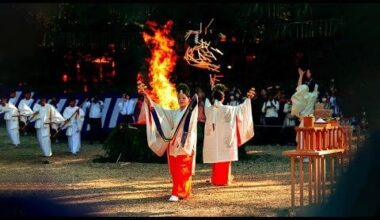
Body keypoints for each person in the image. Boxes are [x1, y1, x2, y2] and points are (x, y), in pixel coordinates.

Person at [138, 82, 198, 202]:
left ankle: (178, 192)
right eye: (179, 98)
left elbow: (189, 128)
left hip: (184, 144)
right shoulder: (176, 112)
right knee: (176, 170)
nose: (181, 100)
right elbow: (162, 112)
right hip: (173, 144)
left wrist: (182, 141)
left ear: (188, 99)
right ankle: (181, 191)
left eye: (183, 98)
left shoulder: (191, 111)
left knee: (183, 169)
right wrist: (150, 101)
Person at [203, 75, 256, 186]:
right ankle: (223, 180)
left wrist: (212, 89)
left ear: (214, 98)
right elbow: (241, 108)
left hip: (213, 140)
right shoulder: (228, 109)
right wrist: (248, 99)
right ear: (223, 98)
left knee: (215, 157)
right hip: (225, 140)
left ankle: (215, 178)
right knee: (224, 157)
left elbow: (207, 100)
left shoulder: (208, 109)